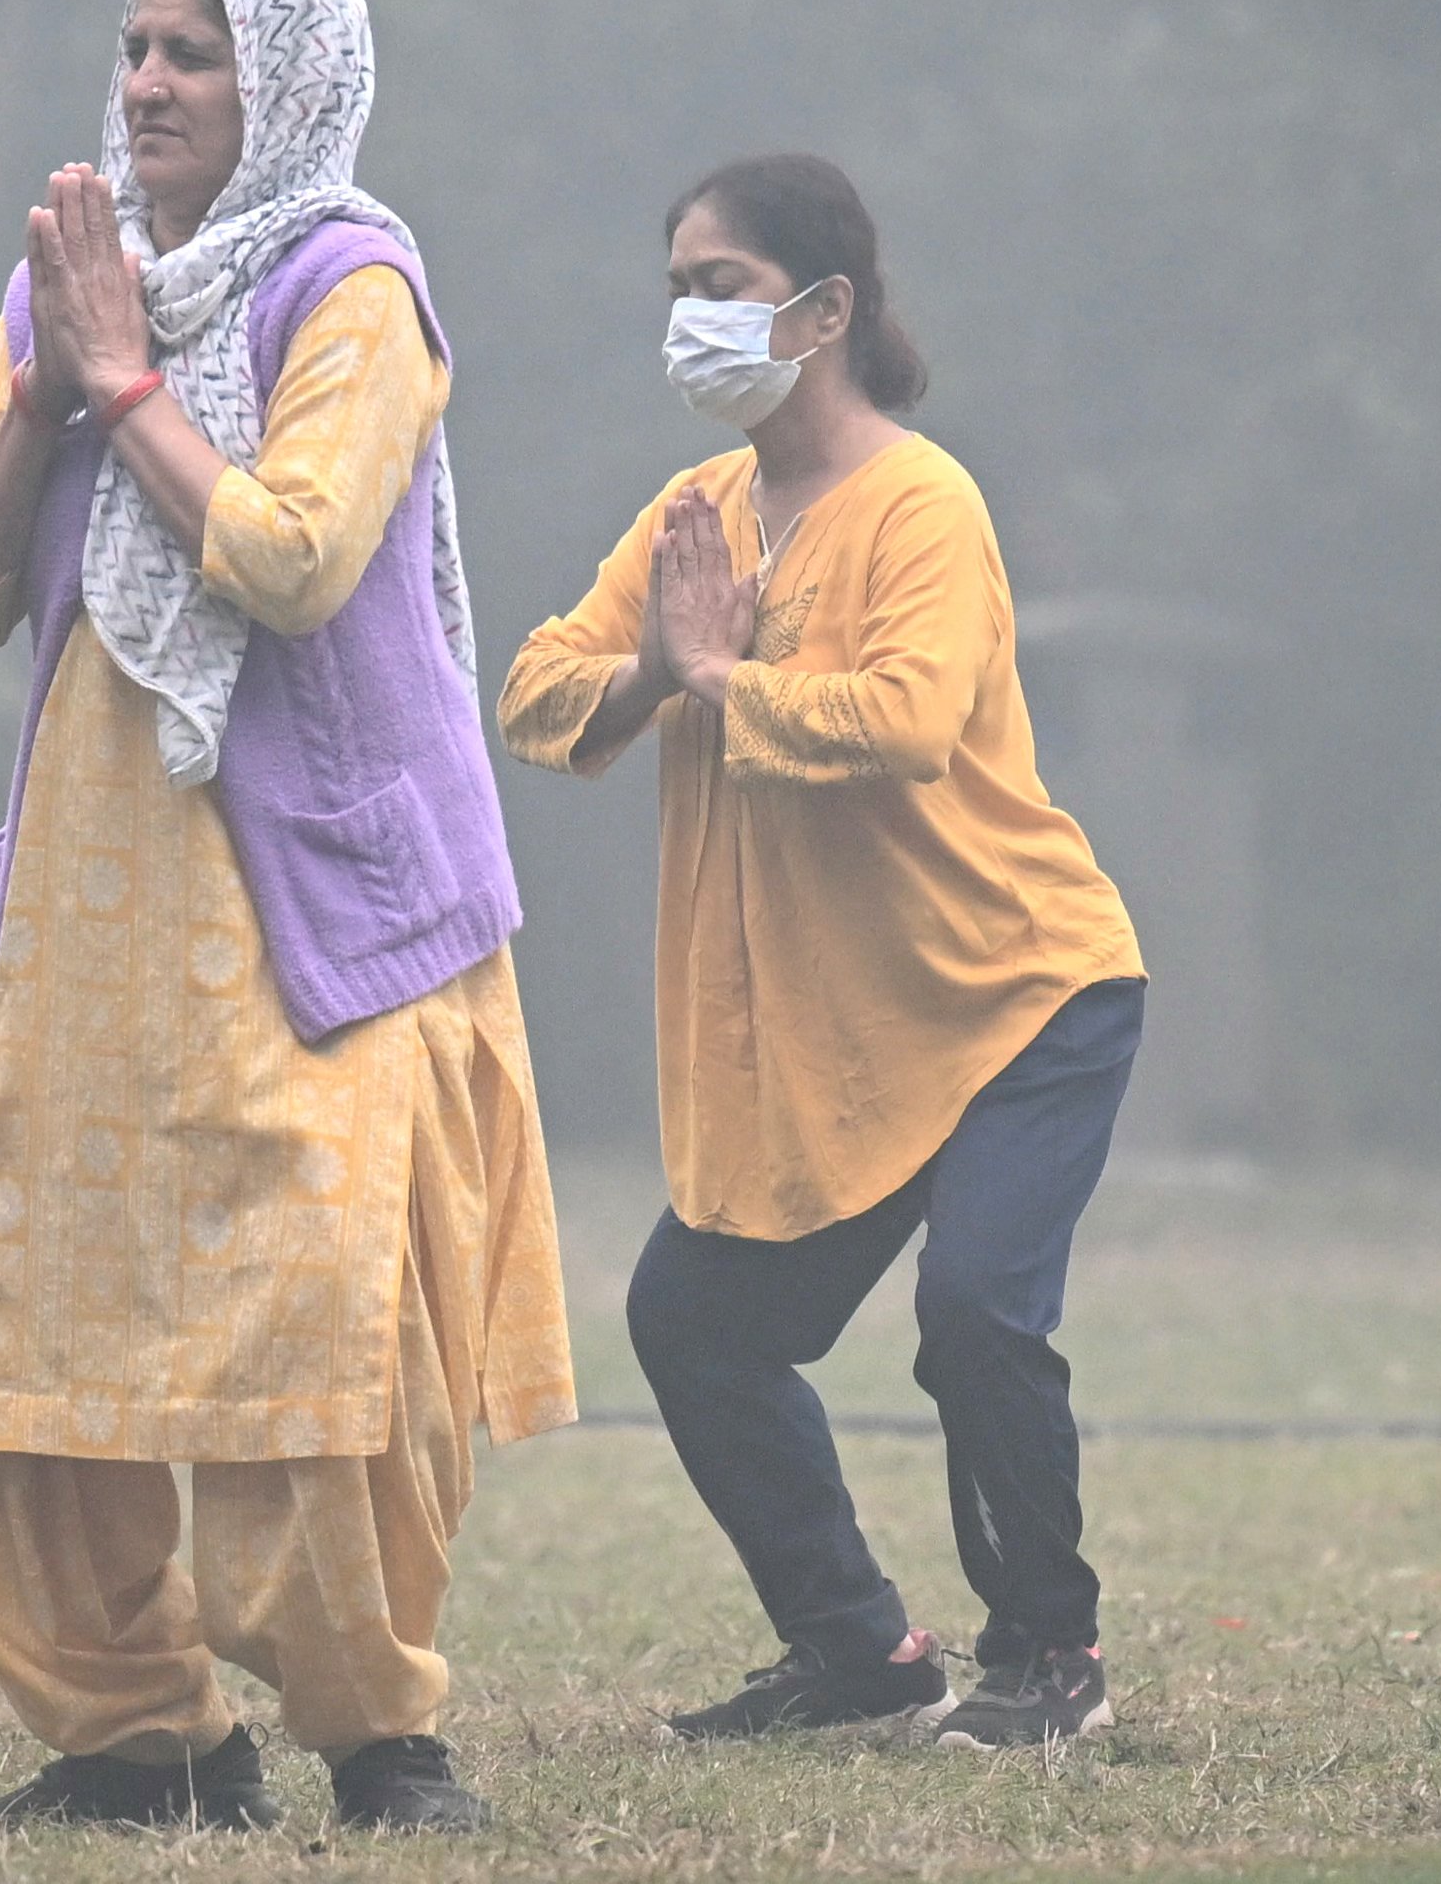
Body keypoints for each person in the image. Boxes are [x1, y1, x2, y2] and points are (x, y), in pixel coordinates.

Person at [0, 0, 572, 1834]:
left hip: (316, 921)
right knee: (3, 1332)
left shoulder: (357, 291)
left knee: (317, 1337)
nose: (152, 83)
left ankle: (383, 1741)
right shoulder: (71, 295)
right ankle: (138, 1745)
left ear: (292, 90)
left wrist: (128, 381)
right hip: (87, 929)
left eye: (198, 54)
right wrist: (50, 385)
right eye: (137, 46)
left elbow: (288, 560)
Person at [499, 153, 1145, 1750]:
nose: (688, 322)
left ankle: (1049, 1666)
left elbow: (909, 724)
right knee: (697, 1322)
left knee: (980, 1316)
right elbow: (532, 695)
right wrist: (665, 665)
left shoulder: (924, 501)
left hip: (1017, 992)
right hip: (844, 1034)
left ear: (827, 307)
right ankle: (861, 1656)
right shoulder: (694, 513)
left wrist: (713, 671)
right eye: (675, 294)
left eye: (716, 287)